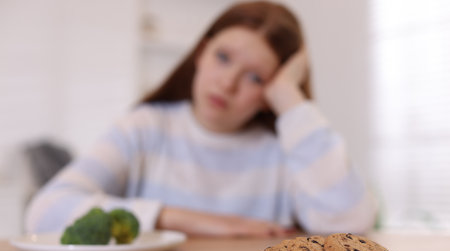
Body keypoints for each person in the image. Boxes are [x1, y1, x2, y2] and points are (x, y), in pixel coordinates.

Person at [25, 1, 377, 238]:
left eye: (256, 77)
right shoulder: (144, 128)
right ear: (200, 52)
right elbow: (45, 211)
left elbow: (352, 225)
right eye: (223, 57)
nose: (227, 83)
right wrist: (192, 220)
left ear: (270, 95)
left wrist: (291, 99)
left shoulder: (288, 151)